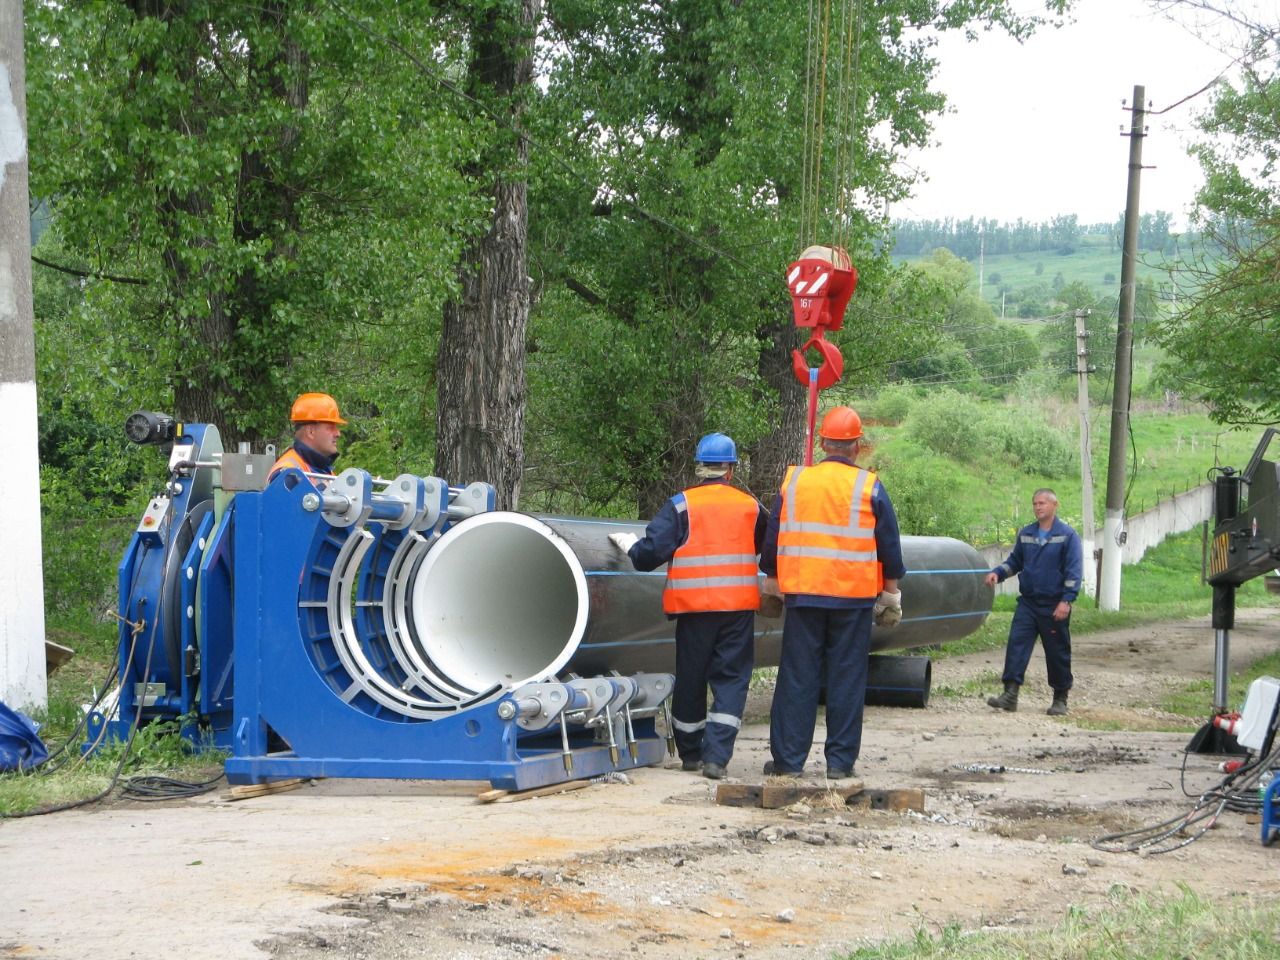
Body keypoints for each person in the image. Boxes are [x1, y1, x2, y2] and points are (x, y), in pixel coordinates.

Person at [608, 433, 768, 781]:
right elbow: (765, 547)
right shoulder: (750, 507)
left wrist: (631, 547)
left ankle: (691, 754)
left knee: (691, 680)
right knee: (730, 681)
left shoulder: (681, 506)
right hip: (737, 610)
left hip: (694, 610)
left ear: (699, 468)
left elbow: (649, 556)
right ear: (731, 468)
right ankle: (717, 758)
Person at [758, 406, 905, 779]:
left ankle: (789, 763)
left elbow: (774, 538)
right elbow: (889, 545)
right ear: (856, 446)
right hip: (852, 600)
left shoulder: (794, 482)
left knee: (797, 677)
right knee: (846, 678)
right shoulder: (869, 486)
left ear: (823, 443)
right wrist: (891, 594)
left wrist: (772, 581)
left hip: (804, 596)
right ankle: (839, 764)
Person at [983, 488, 1083, 716]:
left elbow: (1074, 571)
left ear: (1054, 506)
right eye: (1035, 503)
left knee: (1057, 652)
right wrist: (998, 573)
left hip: (1053, 604)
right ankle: (1010, 694)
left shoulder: (1067, 535)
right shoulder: (1027, 533)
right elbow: (1015, 561)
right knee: (1017, 645)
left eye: (1042, 503)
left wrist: (1066, 601)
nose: (1038, 507)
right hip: (1028, 603)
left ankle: (1060, 698)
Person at [269, 392, 346, 481]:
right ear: (311, 432)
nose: (338, 433)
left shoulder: (323, 470)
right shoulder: (288, 474)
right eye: (330, 428)